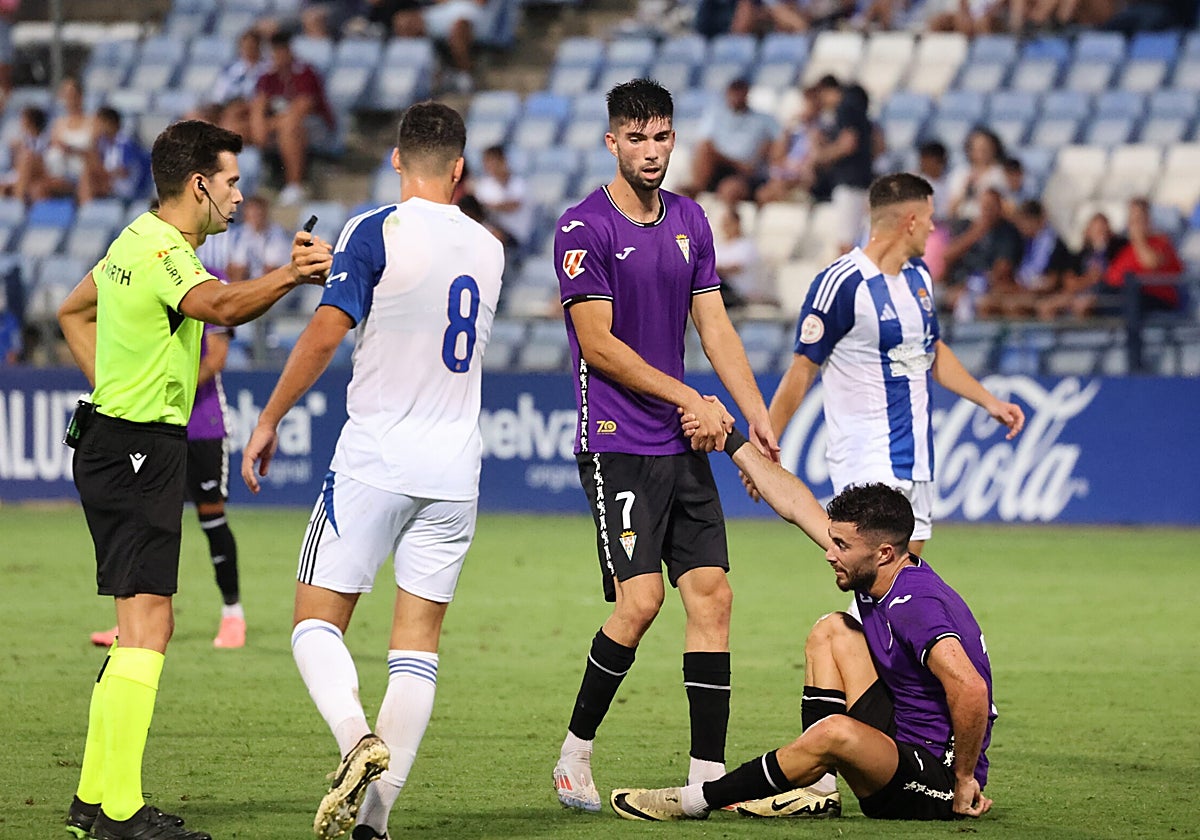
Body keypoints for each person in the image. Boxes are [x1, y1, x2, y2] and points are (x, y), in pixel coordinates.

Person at [56, 118, 332, 840]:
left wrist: (114, 385)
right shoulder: (166, 252)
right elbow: (218, 306)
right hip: (138, 449)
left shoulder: (131, 239)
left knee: (132, 628)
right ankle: (120, 812)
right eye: (233, 182)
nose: (241, 196)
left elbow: (71, 309)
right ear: (198, 183)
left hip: (117, 440)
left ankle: (94, 798)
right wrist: (293, 275)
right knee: (151, 627)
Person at [240, 101, 504, 840]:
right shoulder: (490, 248)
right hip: (455, 469)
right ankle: (376, 825)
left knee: (313, 624)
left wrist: (269, 419)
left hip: (379, 456)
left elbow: (329, 333)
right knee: (416, 648)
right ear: (459, 169)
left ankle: (357, 739)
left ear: (396, 160)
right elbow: (421, 298)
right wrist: (353, 270)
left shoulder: (372, 229)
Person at [551, 78, 779, 813]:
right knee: (641, 602)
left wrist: (755, 415)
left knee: (712, 596)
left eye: (662, 136)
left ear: (675, 138)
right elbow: (600, 347)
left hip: (682, 443)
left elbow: (714, 327)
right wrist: (694, 401)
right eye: (637, 138)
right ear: (612, 142)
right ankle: (573, 756)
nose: (652, 151)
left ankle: (707, 777)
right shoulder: (582, 228)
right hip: (618, 441)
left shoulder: (690, 219)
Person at [611, 453, 996, 822]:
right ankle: (819, 791)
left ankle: (695, 799)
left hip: (935, 779)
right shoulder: (878, 571)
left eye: (841, 546)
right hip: (903, 737)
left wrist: (963, 780)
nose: (830, 553)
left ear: (883, 553)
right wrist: (731, 441)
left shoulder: (915, 604)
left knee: (834, 733)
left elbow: (971, 689)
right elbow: (796, 504)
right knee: (832, 631)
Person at [768, 173, 1024, 559]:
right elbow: (802, 369)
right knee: (878, 579)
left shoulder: (919, 278)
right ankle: (835, 626)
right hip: (865, 456)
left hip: (917, 456)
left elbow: (931, 351)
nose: (934, 227)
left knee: (901, 588)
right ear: (910, 222)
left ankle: (845, 624)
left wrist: (989, 401)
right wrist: (765, 449)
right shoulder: (842, 282)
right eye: (929, 217)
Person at [89, 322, 248, 650]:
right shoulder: (147, 283)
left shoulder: (210, 285)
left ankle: (233, 615)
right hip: (153, 424)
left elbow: (216, 358)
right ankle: (132, 623)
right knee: (142, 521)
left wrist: (165, 389)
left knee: (212, 518)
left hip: (202, 425)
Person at [250, 30, 337, 206]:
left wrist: (270, 125)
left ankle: (294, 185)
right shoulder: (268, 76)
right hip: (278, 125)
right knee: (236, 127)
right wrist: (259, 126)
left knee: (290, 126)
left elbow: (304, 107)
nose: (277, 56)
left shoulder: (304, 71)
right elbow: (259, 104)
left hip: (315, 125)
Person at [688, 77, 778, 199]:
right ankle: (697, 188)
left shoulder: (764, 120)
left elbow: (776, 144)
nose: (736, 97)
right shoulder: (715, 116)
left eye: (740, 92)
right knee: (704, 150)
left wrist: (756, 163)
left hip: (745, 171)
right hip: (720, 164)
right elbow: (705, 142)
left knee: (730, 189)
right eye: (733, 92)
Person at [77, 106, 152, 205]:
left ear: (110, 123)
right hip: (111, 184)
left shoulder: (125, 143)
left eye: (100, 123)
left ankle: (86, 207)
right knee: (87, 172)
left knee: (89, 175)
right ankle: (86, 208)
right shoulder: (105, 143)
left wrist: (105, 175)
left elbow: (124, 171)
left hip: (126, 187)